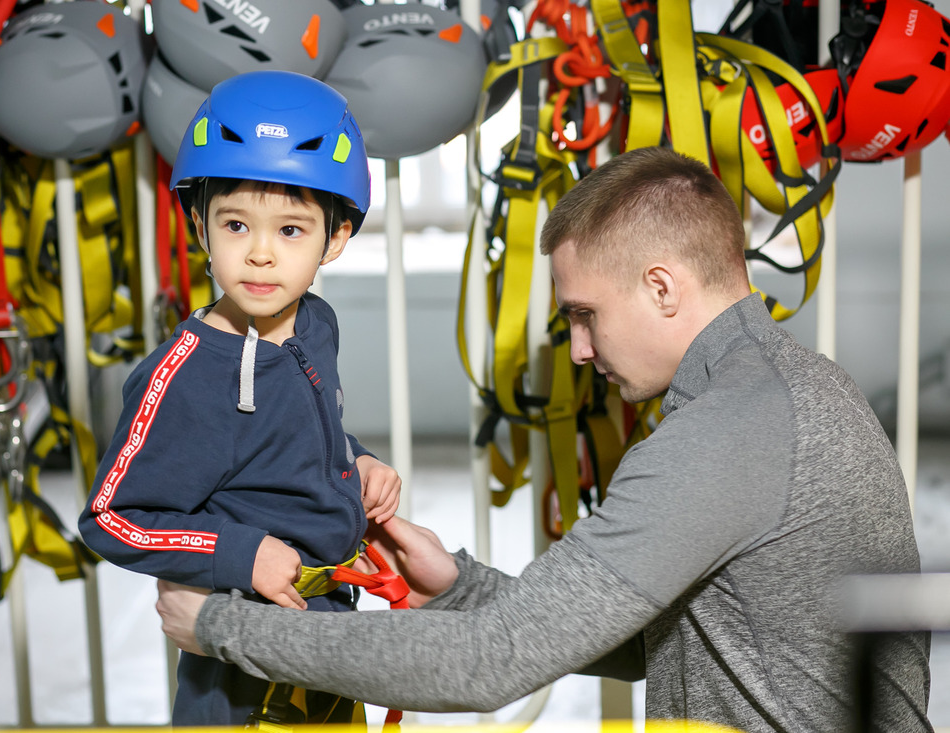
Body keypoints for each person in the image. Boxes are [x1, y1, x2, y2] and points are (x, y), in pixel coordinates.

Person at [155, 146, 934, 732]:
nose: (582, 350)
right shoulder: (797, 387)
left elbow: (490, 663)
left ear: (660, 286)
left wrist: (225, 627)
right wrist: (456, 587)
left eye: (584, 314)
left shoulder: (727, 430)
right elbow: (654, 642)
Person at [78, 70, 401, 727]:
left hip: (328, 634)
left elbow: (300, 432)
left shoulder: (315, 322)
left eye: (290, 230)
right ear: (200, 225)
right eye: (235, 224)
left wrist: (355, 461)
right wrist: (237, 553)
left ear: (334, 239)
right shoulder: (185, 374)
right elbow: (109, 517)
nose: (259, 254)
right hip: (238, 666)